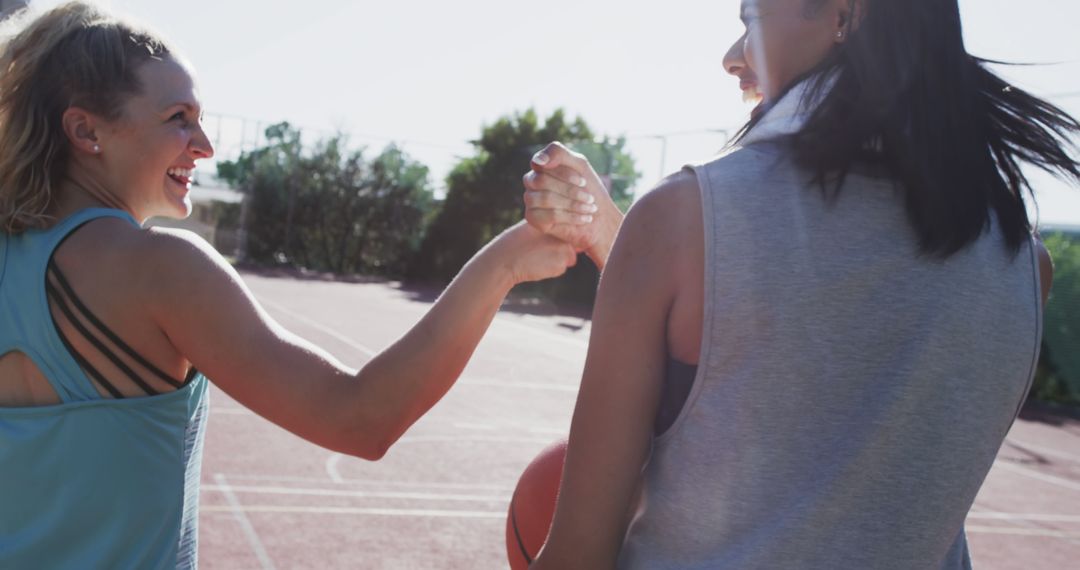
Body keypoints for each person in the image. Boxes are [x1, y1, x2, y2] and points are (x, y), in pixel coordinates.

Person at [0, 3, 580, 567]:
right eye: (178, 117)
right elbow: (361, 418)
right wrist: (504, 262)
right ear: (85, 130)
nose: (204, 144)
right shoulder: (159, 267)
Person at [520, 0, 1078, 568]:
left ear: (846, 15)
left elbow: (575, 558)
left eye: (751, 20)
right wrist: (614, 234)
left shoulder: (679, 219)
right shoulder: (1025, 267)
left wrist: (631, 239)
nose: (732, 58)